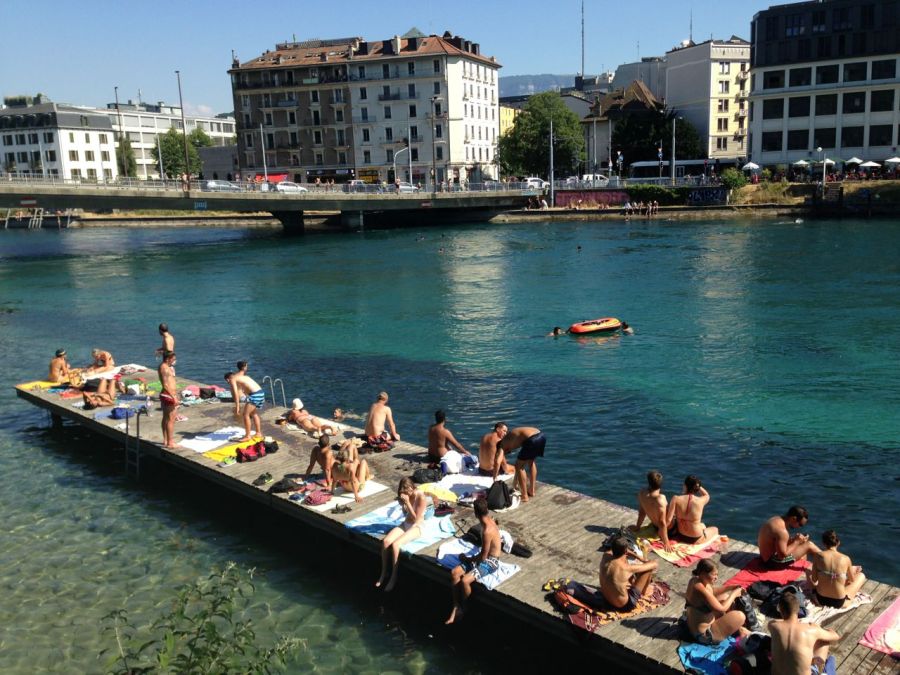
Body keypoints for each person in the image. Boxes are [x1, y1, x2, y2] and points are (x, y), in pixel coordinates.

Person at [445, 497, 501, 624]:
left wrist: (467, 559)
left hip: (492, 562)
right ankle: (456, 606)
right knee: (455, 573)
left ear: (476, 513)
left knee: (465, 580)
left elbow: (483, 557)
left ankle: (464, 608)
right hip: (484, 558)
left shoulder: (487, 530)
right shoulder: (490, 520)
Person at [376, 477, 427, 592]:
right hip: (405, 524)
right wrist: (403, 504)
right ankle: (383, 572)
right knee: (386, 542)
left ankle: (394, 576)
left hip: (417, 527)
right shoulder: (405, 496)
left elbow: (416, 519)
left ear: (410, 488)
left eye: (405, 492)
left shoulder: (421, 497)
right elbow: (406, 514)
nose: (404, 495)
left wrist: (408, 503)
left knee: (395, 544)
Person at [769, 592, 839, 675]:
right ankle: (821, 669)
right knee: (824, 643)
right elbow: (835, 637)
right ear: (798, 610)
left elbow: (779, 622)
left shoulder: (773, 626)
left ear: (780, 610)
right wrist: (819, 628)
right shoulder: (811, 629)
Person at [682, 560, 748, 644]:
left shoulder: (695, 580)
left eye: (717, 574)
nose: (716, 577)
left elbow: (712, 591)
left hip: (694, 623)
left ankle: (736, 627)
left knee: (724, 597)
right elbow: (722, 609)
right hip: (704, 635)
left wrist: (730, 587)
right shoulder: (699, 589)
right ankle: (738, 629)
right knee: (740, 616)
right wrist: (734, 594)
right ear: (703, 573)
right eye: (714, 574)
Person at [808, 530, 866, 608]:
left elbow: (814, 579)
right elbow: (851, 580)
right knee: (861, 576)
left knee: (808, 571)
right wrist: (850, 572)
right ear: (838, 542)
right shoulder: (846, 558)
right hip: (839, 602)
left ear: (824, 543)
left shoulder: (818, 556)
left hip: (821, 599)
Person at [599, 535, 658, 611]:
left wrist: (639, 558)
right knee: (648, 569)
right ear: (625, 551)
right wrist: (648, 561)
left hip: (606, 599)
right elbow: (654, 565)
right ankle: (644, 592)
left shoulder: (606, 555)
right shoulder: (626, 568)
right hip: (624, 605)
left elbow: (625, 552)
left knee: (624, 559)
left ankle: (632, 583)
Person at [665, 475, 719, 545]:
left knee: (702, 525)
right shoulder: (700, 501)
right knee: (715, 529)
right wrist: (698, 486)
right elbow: (707, 495)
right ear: (696, 487)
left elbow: (668, 520)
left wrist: (663, 534)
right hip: (696, 538)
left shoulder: (675, 499)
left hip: (681, 535)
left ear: (685, 486)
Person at [496, 426, 545, 502]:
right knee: (530, 462)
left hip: (532, 439)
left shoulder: (501, 445)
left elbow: (497, 461)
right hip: (541, 436)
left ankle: (524, 496)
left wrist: (494, 478)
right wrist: (515, 483)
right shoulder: (511, 439)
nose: (507, 453)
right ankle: (532, 490)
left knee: (519, 466)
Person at [631, 470, 672, 552]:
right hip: (669, 529)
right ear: (661, 483)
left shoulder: (642, 493)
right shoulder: (660, 498)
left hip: (655, 526)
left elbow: (642, 512)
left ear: (648, 482)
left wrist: (637, 527)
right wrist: (666, 541)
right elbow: (662, 522)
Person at [224, 370, 264, 442]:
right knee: (254, 413)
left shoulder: (233, 379)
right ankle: (258, 433)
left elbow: (236, 394)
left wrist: (237, 407)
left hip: (255, 395)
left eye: (227, 381)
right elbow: (246, 389)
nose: (228, 382)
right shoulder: (242, 377)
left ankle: (248, 436)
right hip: (260, 393)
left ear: (228, 379)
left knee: (245, 414)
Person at [158, 350, 179, 449]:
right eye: (173, 359)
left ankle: (166, 440)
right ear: (167, 359)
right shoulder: (164, 368)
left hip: (168, 394)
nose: (174, 361)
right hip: (168, 395)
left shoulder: (166, 367)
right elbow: (165, 385)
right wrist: (173, 397)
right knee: (171, 419)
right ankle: (170, 442)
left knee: (166, 418)